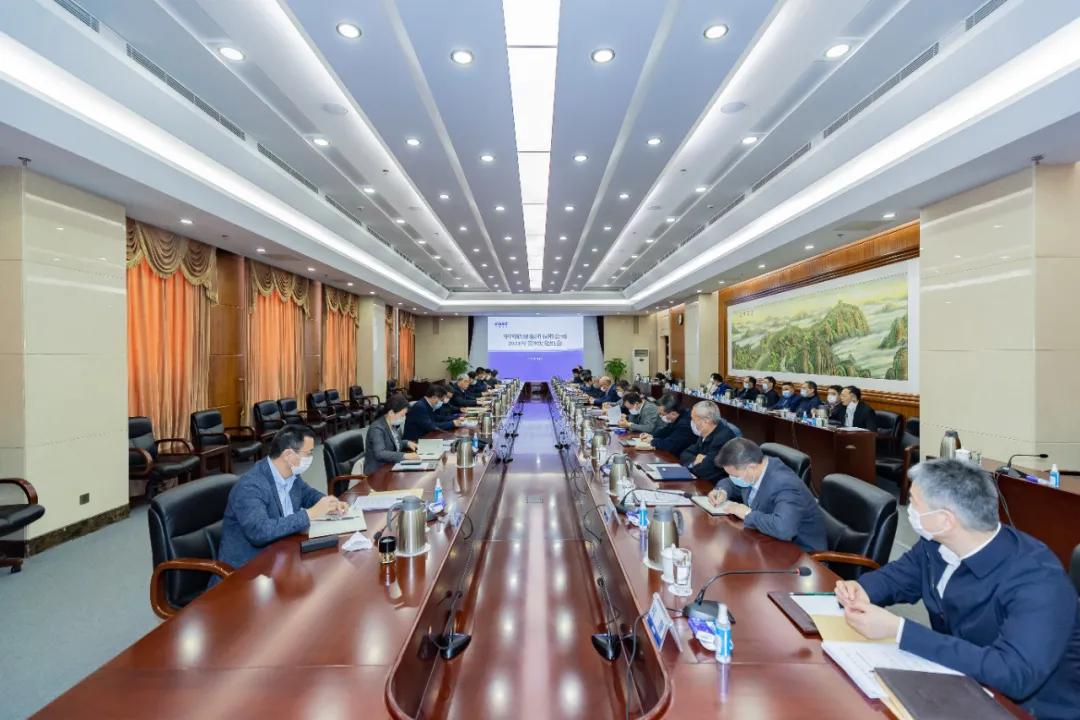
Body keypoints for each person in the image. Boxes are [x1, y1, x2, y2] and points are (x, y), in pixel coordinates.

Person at [835, 459, 1080, 719]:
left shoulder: (1038, 580)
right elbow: (898, 577)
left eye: (914, 502)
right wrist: (862, 589)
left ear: (945, 520)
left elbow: (1013, 674)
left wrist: (900, 630)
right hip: (961, 681)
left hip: (1031, 709)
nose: (908, 509)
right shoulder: (937, 543)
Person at [217, 425, 348, 572]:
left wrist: (330, 503)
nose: (311, 458)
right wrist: (310, 514)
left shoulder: (291, 474)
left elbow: (308, 494)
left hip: (282, 555)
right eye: (308, 453)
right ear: (288, 455)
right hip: (247, 570)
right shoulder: (251, 486)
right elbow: (260, 532)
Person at [707, 438, 826, 552]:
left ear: (751, 468)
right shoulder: (755, 472)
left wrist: (747, 514)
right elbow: (731, 483)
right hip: (768, 540)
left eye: (735, 476)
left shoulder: (785, 483)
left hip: (801, 554)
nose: (732, 478)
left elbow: (783, 529)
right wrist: (722, 491)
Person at [678, 401, 736, 481]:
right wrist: (696, 460)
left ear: (706, 421)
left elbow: (704, 470)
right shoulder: (705, 432)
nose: (691, 422)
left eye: (693, 419)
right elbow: (684, 454)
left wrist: (696, 463)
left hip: (715, 484)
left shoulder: (723, 438)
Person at [363, 394, 418, 475]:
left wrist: (407, 443)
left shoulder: (391, 424)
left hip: (389, 466)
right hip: (377, 473)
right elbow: (380, 454)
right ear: (391, 413)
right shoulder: (377, 428)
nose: (404, 418)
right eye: (402, 415)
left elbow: (393, 443)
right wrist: (405, 455)